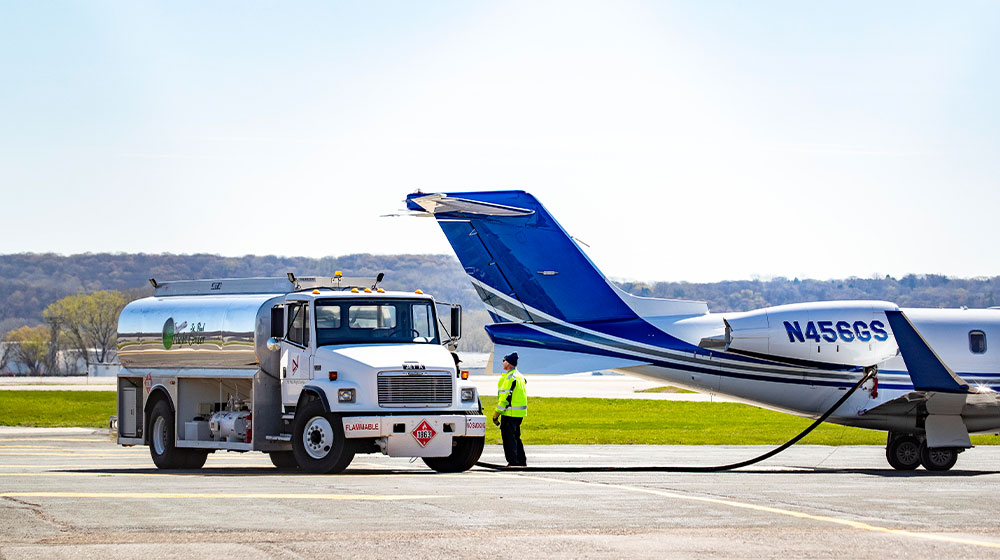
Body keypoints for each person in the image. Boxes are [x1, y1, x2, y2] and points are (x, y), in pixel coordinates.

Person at [493, 352, 527, 467]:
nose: (502, 362)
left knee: (509, 439)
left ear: (509, 364)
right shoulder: (520, 376)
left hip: (509, 414)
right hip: (519, 414)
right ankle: (521, 461)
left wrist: (496, 415)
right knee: (516, 437)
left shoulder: (509, 378)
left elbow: (504, 400)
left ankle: (513, 462)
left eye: (504, 360)